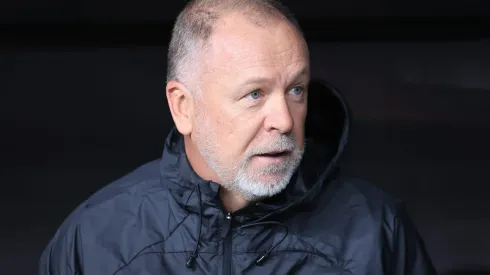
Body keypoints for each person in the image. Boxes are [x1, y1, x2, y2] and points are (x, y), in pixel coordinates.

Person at [39, 0, 437, 274]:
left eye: (296, 89)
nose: (283, 120)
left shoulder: (377, 231)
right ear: (183, 107)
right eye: (255, 94)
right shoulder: (94, 240)